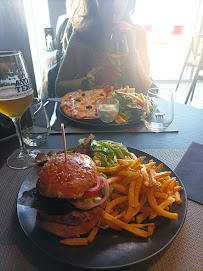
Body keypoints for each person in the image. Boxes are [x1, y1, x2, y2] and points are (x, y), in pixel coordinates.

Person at [55, 0, 151, 97]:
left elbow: (144, 90)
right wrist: (92, 80)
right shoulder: (80, 35)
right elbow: (59, 88)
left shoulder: (137, 33)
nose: (114, 3)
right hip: (88, 110)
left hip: (128, 110)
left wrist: (132, 50)